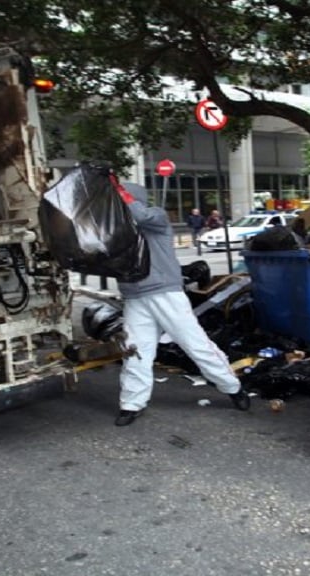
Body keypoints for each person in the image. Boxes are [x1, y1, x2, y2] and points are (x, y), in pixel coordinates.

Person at [112, 178, 249, 426]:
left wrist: (121, 196)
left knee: (195, 345)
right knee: (135, 352)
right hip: (135, 296)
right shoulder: (118, 229)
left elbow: (139, 215)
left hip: (165, 293)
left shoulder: (155, 217)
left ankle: (233, 388)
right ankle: (131, 403)